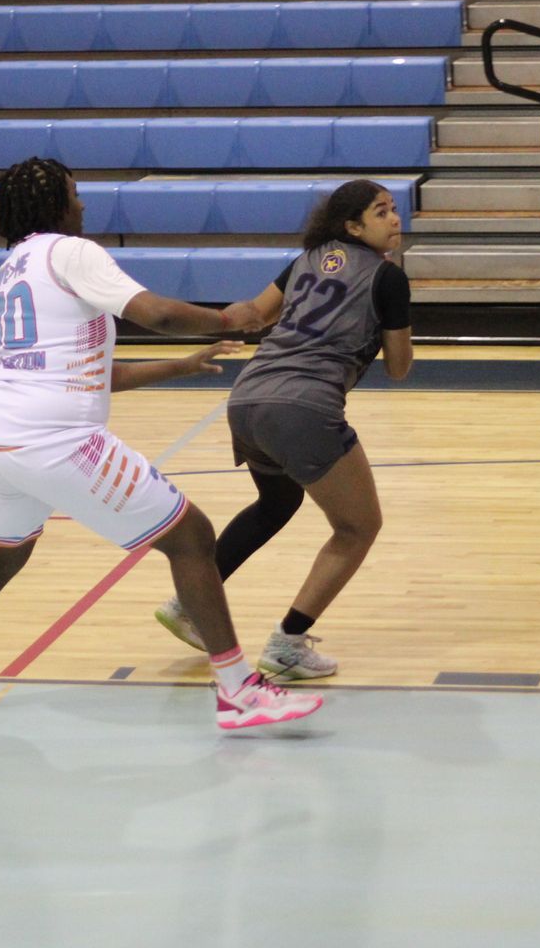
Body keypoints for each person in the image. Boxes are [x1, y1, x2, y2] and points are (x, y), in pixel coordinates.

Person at [0, 157, 323, 732]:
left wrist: (179, 366)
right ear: (55, 205)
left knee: (1, 554)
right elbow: (158, 313)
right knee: (192, 538)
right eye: (74, 193)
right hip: (52, 438)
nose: (83, 204)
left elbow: (93, 373)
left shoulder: (12, 268)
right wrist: (227, 319)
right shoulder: (73, 252)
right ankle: (239, 690)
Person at [154, 180, 412, 681]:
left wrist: (213, 322)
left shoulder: (307, 259)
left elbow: (254, 313)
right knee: (358, 528)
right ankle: (288, 645)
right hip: (302, 408)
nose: (395, 219)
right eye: (381, 212)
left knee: (277, 503)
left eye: (394, 209)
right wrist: (391, 321)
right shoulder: (388, 277)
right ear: (353, 226)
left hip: (247, 398)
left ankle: (188, 605)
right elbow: (399, 368)